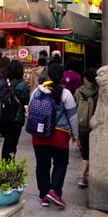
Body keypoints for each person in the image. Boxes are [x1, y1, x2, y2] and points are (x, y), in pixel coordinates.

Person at [29, 63, 78, 209]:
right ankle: (55, 191)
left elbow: (31, 111)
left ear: (48, 75)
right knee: (60, 164)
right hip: (59, 136)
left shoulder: (37, 91)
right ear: (62, 76)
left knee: (42, 166)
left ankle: (44, 195)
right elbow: (73, 117)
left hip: (39, 135)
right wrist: (76, 135)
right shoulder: (66, 93)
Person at [0, 60, 30, 159]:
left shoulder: (2, 82)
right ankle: (8, 168)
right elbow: (26, 101)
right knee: (12, 145)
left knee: (6, 143)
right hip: (16, 118)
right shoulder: (22, 85)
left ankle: (4, 165)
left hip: (3, 117)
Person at [74, 68, 98, 188]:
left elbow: (74, 109)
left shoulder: (79, 92)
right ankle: (86, 174)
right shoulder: (98, 92)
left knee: (85, 151)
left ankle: (83, 176)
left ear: (84, 78)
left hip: (82, 125)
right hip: (95, 126)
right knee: (91, 150)